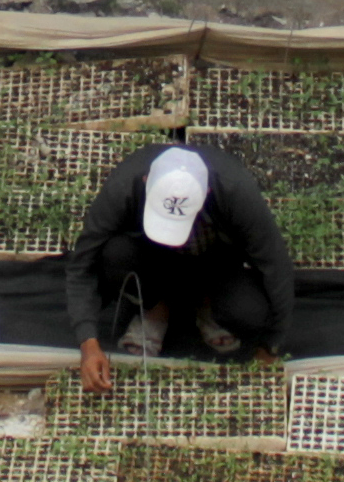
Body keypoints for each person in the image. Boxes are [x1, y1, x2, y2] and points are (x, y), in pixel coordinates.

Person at [63, 139, 295, 389]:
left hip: (214, 262)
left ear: (206, 192)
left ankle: (206, 304)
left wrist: (270, 346)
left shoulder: (234, 190)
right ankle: (156, 307)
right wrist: (88, 343)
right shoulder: (123, 186)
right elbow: (82, 265)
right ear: (146, 181)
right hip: (152, 260)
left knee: (251, 312)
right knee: (115, 254)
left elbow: (276, 266)